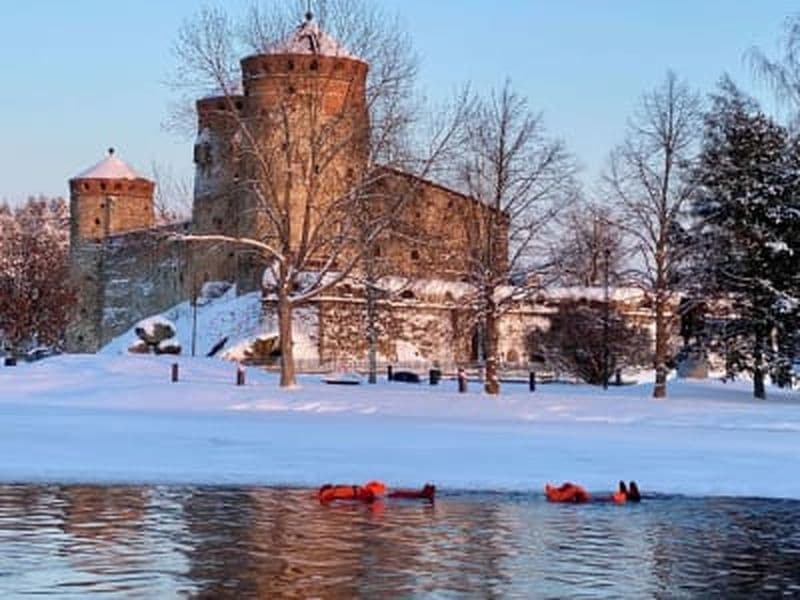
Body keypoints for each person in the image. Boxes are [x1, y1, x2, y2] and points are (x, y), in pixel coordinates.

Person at [317, 481, 435, 504]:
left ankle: (422, 494)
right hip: (369, 496)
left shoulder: (332, 493)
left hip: (368, 495)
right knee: (396, 495)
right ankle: (422, 494)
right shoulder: (331, 494)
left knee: (396, 495)